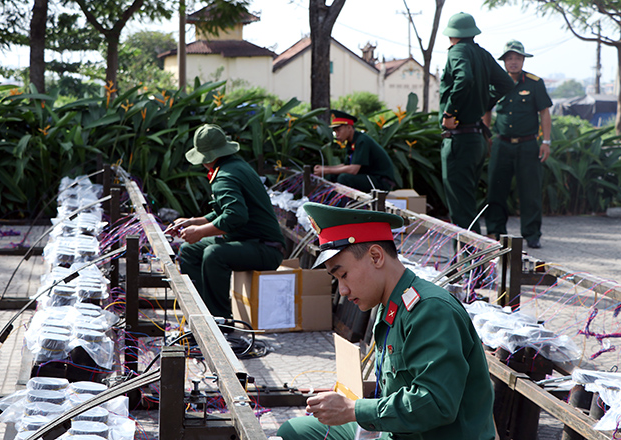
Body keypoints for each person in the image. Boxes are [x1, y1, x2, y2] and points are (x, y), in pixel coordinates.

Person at [277, 202, 496, 440]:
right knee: (294, 432)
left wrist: (354, 410)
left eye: (343, 275)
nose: (342, 290)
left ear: (375, 256)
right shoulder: (390, 304)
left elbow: (436, 403)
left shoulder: (429, 310)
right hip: (398, 431)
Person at [166, 124, 285, 318]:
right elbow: (225, 211)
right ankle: (200, 311)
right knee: (189, 251)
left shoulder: (225, 176)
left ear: (208, 158)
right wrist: (193, 222)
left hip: (267, 248)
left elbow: (236, 216)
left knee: (214, 254)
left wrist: (201, 232)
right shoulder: (234, 166)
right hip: (249, 240)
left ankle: (219, 320)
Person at [439, 12, 514, 234]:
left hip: (459, 139)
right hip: (475, 139)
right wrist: (482, 104)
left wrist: (450, 112)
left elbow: (465, 78)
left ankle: (470, 264)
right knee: (467, 203)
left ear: (452, 36)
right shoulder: (482, 54)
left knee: (460, 210)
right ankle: (470, 263)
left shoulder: (457, 51)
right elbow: (505, 84)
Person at [485, 40, 552, 249]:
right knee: (496, 189)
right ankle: (496, 232)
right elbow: (487, 109)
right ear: (504, 61)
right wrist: (487, 136)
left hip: (528, 145)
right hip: (501, 144)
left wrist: (546, 141)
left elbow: (544, 113)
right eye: (509, 58)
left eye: (517, 58)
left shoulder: (534, 83)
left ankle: (532, 234)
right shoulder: (495, 83)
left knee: (530, 191)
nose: (513, 62)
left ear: (523, 60)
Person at [313, 110, 397, 193]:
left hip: (381, 182)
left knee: (344, 178)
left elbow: (353, 169)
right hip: (369, 178)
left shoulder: (362, 140)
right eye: (335, 131)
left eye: (339, 130)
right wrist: (325, 169)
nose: (336, 134)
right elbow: (346, 165)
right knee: (331, 176)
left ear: (349, 127)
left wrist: (325, 170)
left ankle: (342, 205)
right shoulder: (351, 142)